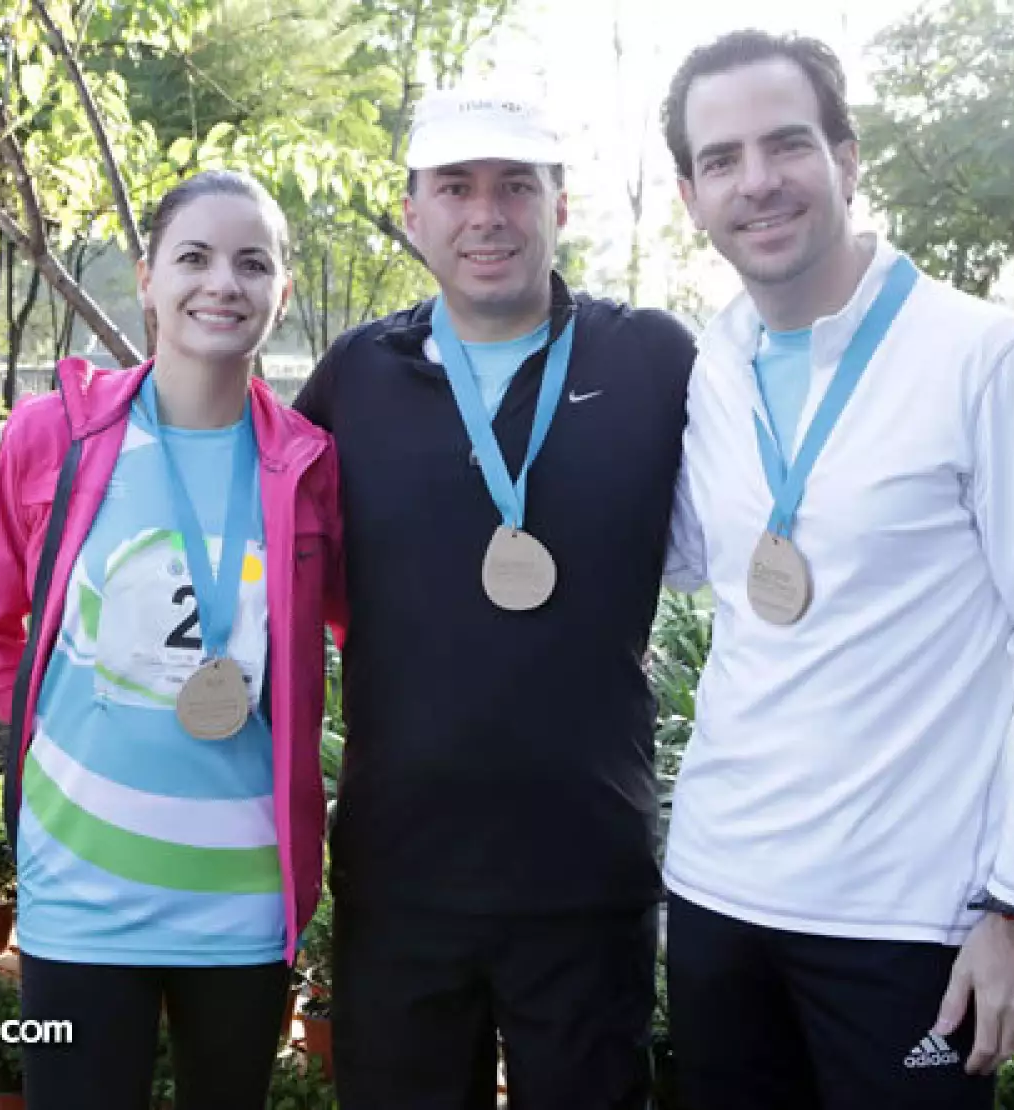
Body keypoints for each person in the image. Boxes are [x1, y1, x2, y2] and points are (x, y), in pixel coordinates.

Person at [657, 31, 1014, 1109]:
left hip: (908, 921)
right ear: (690, 197)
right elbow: (686, 561)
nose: (757, 181)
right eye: (721, 159)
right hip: (717, 897)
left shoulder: (989, 361)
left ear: (846, 159)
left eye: (786, 144)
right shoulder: (710, 366)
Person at [292, 86, 696, 1110]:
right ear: (412, 213)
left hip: (585, 871)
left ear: (559, 206)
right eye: (456, 187)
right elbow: (262, 535)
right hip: (402, 874)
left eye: (516, 185)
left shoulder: (653, 361)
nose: (487, 215)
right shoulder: (356, 376)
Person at [0, 170, 342, 1110]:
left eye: (253, 264)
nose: (223, 283)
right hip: (80, 891)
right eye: (194, 257)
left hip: (242, 898)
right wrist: (70, 729)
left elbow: (361, 631)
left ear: (282, 292)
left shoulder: (309, 466)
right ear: (148, 277)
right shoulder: (56, 438)